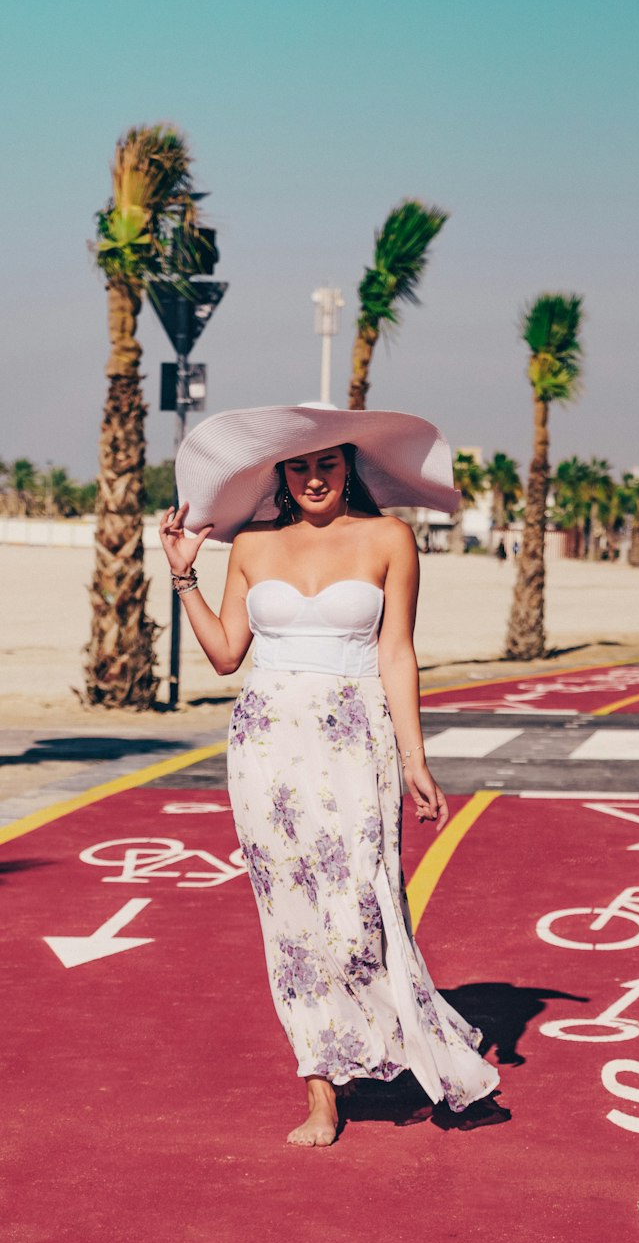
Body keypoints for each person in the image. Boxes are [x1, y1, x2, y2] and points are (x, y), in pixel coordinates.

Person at [161, 401, 503, 1147]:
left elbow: (396, 654)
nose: (313, 477)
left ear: (349, 466)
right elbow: (225, 654)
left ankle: (417, 1044)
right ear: (280, 473)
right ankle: (322, 1089)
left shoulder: (390, 538)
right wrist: (184, 578)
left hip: (355, 742)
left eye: (326, 462)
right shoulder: (250, 545)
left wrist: (416, 758)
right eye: (299, 465)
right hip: (265, 746)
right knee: (290, 924)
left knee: (363, 909)